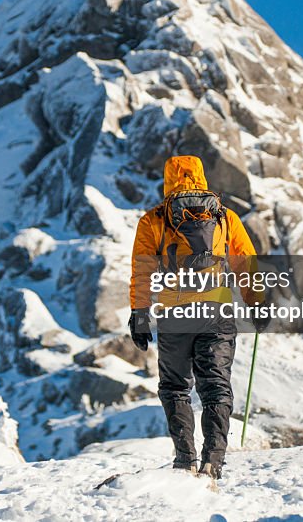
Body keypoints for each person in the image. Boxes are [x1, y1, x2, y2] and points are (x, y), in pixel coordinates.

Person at [128, 155, 260, 480]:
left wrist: (139, 313)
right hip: (217, 310)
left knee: (175, 388)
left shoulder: (155, 220)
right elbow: (245, 261)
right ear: (201, 176)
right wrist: (256, 301)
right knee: (215, 385)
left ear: (167, 180)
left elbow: (142, 271)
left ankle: (185, 461)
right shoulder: (224, 217)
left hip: (176, 314)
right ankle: (213, 462)